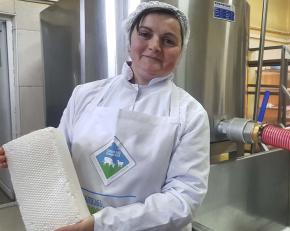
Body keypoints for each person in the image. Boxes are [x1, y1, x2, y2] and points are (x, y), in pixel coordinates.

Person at [0, 1, 210, 230]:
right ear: (129, 40)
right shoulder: (85, 94)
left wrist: (99, 225)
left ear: (181, 51)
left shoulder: (191, 114)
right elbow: (57, 156)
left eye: (168, 41)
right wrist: (25, 158)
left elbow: (182, 201)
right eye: (145, 34)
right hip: (76, 223)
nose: (154, 46)